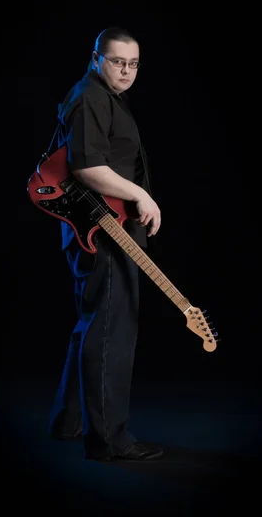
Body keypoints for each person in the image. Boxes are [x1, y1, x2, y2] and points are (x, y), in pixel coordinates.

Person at [48, 26, 163, 461]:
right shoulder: (91, 97)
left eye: (133, 63)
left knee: (93, 324)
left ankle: (68, 422)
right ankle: (109, 440)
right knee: (111, 331)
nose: (127, 71)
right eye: (118, 61)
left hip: (103, 226)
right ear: (97, 58)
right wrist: (142, 195)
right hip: (104, 229)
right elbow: (87, 167)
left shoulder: (103, 96)